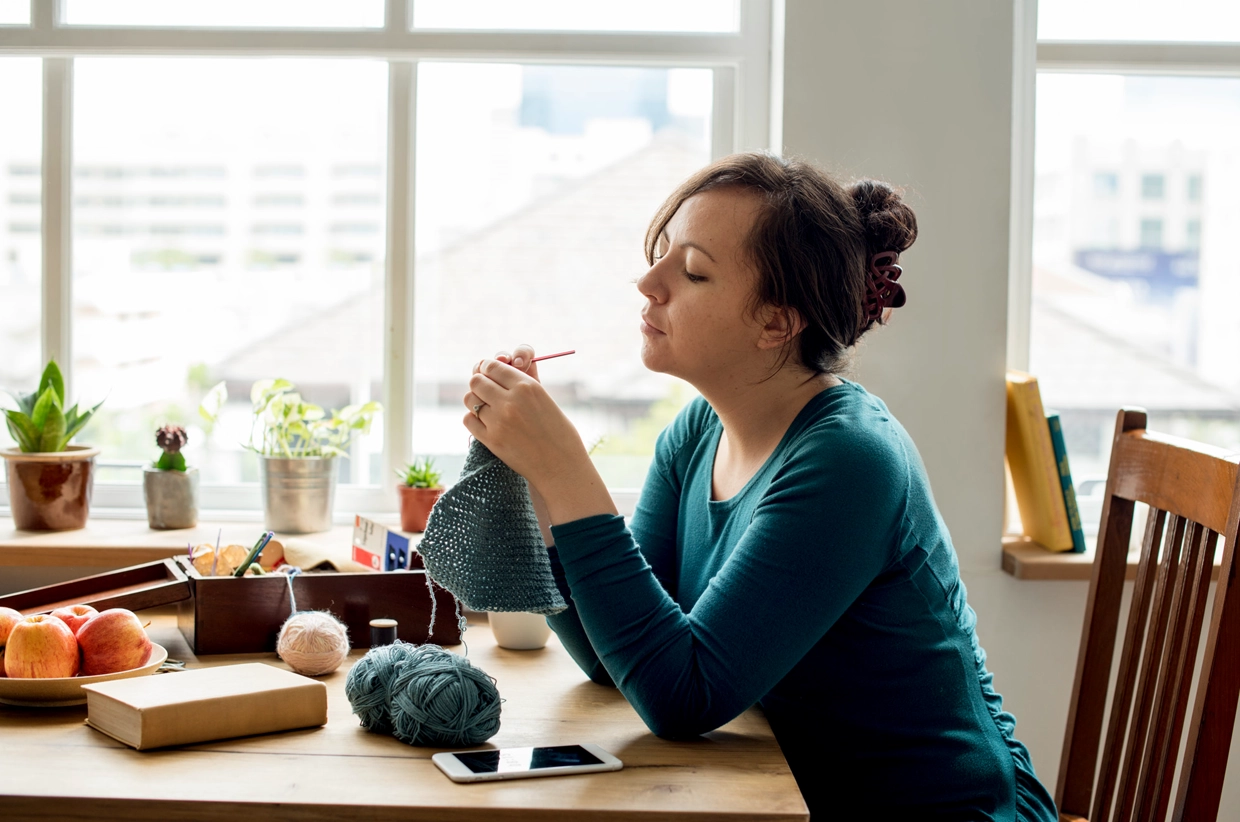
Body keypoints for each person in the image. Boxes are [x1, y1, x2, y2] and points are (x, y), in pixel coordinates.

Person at [462, 152, 1057, 821]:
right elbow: (616, 662)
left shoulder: (849, 460)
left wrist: (567, 470)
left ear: (776, 322)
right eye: (661, 255)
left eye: (691, 271)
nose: (648, 282)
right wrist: (543, 477)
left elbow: (682, 699)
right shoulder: (697, 433)